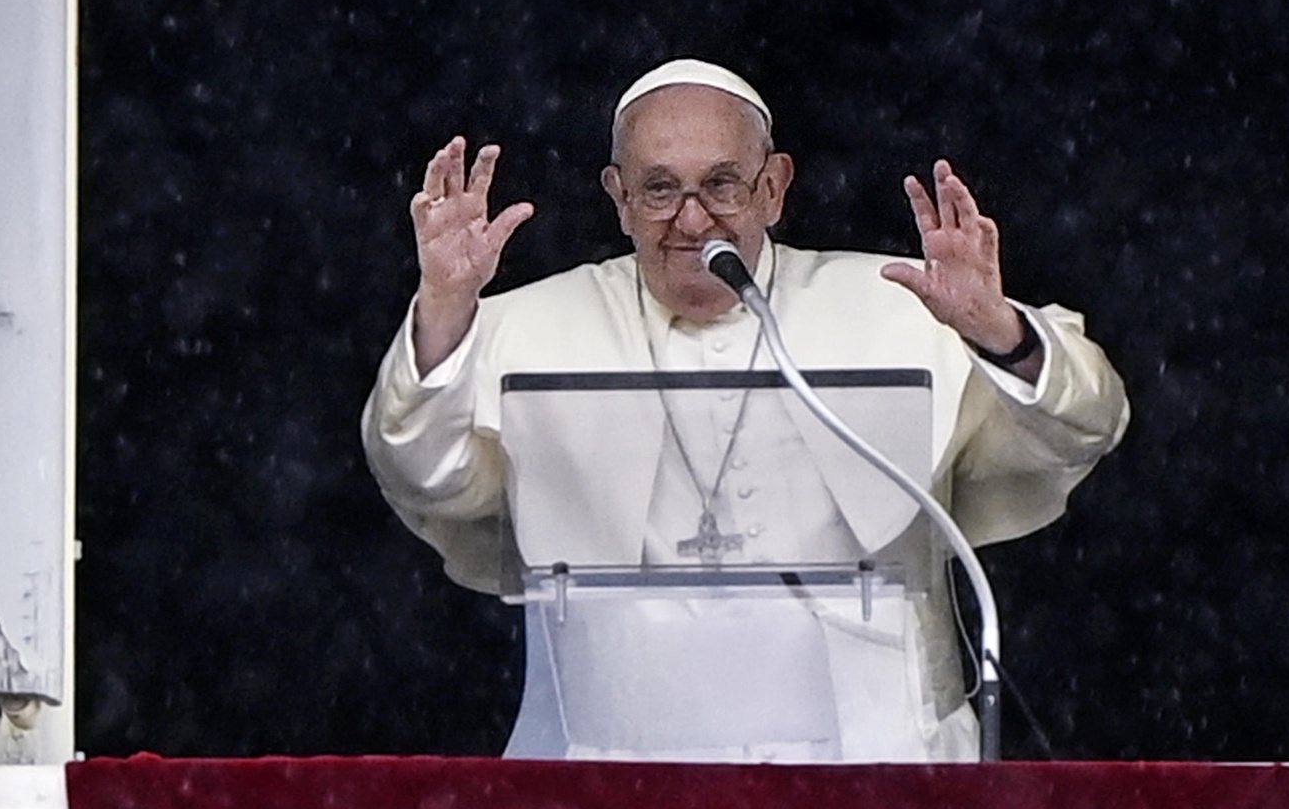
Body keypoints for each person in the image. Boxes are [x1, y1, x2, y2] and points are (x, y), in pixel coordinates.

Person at [363, 59, 1128, 763]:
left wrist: (996, 332)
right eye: (660, 189)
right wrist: (442, 312)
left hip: (878, 766)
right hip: (611, 771)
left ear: (774, 188)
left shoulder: (904, 304)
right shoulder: (519, 327)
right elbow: (422, 476)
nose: (693, 221)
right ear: (617, 196)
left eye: (723, 184)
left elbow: (1084, 425)